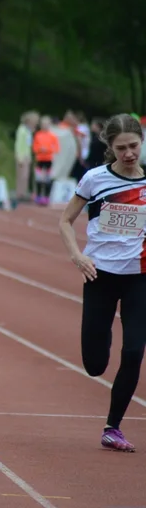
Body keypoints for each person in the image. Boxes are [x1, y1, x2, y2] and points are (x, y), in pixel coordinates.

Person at [58, 113, 146, 453]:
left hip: (139, 278)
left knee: (135, 350)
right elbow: (66, 221)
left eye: (134, 146)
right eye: (121, 147)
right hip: (100, 276)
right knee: (95, 364)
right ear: (109, 148)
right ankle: (103, 334)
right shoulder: (95, 179)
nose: (128, 153)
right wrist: (78, 256)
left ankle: (113, 427)